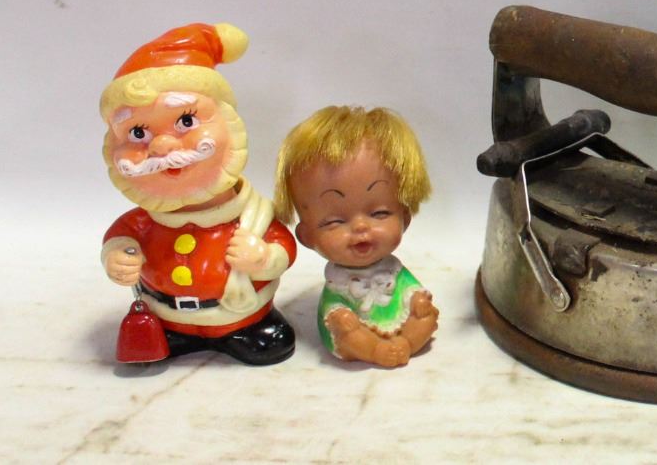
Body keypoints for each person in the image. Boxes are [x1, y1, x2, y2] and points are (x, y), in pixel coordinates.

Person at [99, 23, 297, 365]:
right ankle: (176, 334)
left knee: (270, 342)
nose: (162, 146)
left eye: (186, 121)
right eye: (138, 133)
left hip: (242, 318)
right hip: (167, 320)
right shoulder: (143, 222)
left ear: (230, 126)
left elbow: (282, 245)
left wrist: (264, 259)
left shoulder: (254, 216)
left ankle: (244, 330)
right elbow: (121, 237)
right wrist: (117, 255)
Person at [275, 106, 439, 367]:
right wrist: (341, 317)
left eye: (380, 213)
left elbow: (410, 289)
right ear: (307, 236)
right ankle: (374, 350)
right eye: (335, 221)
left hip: (397, 315)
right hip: (354, 329)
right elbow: (334, 307)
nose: (361, 227)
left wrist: (418, 302)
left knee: (426, 315)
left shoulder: (395, 272)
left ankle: (407, 342)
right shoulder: (338, 284)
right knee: (347, 331)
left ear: (404, 218)